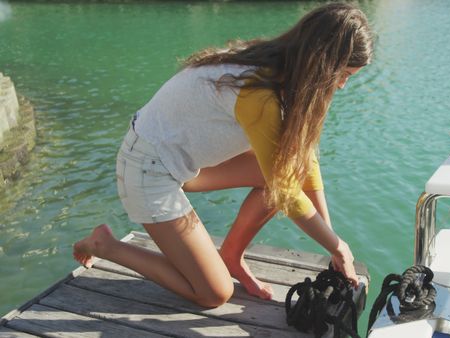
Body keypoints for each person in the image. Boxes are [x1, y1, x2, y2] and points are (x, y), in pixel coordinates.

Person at [73, 2, 373, 307]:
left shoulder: (281, 67)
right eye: (343, 74)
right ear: (321, 63)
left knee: (288, 169)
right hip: (147, 170)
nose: (343, 85)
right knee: (214, 293)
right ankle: (106, 245)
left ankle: (230, 256)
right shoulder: (260, 93)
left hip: (178, 163)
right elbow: (286, 193)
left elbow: (305, 161)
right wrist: (338, 247)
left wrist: (333, 244)